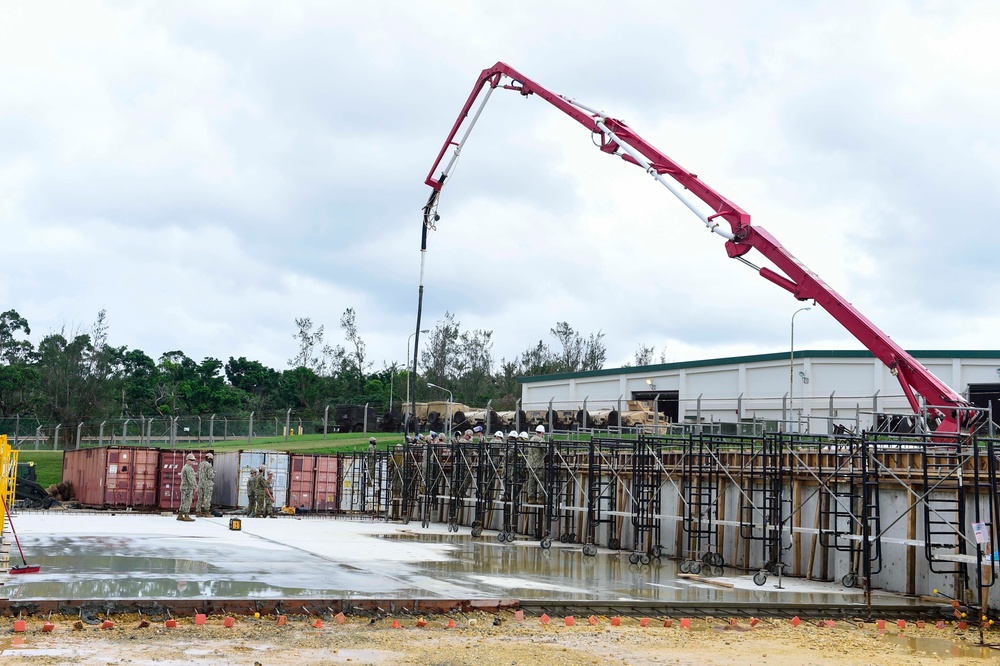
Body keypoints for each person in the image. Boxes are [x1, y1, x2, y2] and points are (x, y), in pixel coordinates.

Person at [178, 453, 197, 522]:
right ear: (188, 460)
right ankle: (186, 515)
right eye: (192, 460)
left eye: (194, 460)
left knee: (183, 501)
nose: (193, 461)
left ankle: (180, 514)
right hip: (187, 487)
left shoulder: (185, 467)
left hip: (184, 486)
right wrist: (195, 486)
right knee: (187, 501)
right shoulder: (188, 468)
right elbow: (191, 478)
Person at [196, 452, 215, 517]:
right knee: (207, 498)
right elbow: (210, 476)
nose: (211, 461)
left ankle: (198, 512)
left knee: (200, 498)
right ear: (209, 458)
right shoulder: (209, 466)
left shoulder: (200, 464)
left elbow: (198, 473)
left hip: (200, 483)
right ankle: (207, 512)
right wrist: (213, 473)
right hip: (207, 484)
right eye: (211, 459)